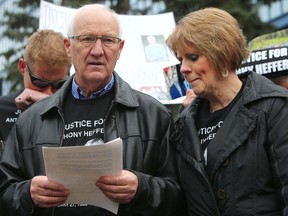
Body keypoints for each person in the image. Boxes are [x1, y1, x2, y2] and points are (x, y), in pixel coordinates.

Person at [0, 4, 185, 216]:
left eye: (108, 40)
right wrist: (27, 194)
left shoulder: (153, 115)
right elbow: (4, 193)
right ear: (68, 47)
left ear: (120, 49)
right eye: (87, 39)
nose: (97, 51)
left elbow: (180, 197)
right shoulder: (31, 120)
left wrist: (142, 188)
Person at [166, 7, 288, 216]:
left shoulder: (273, 107)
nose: (184, 68)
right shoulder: (183, 122)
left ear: (221, 55)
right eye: (181, 60)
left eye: (193, 57)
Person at [0, 29, 71, 157]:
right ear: (22, 67)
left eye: (58, 85)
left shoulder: (76, 110)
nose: (49, 92)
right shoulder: (2, 109)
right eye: (40, 82)